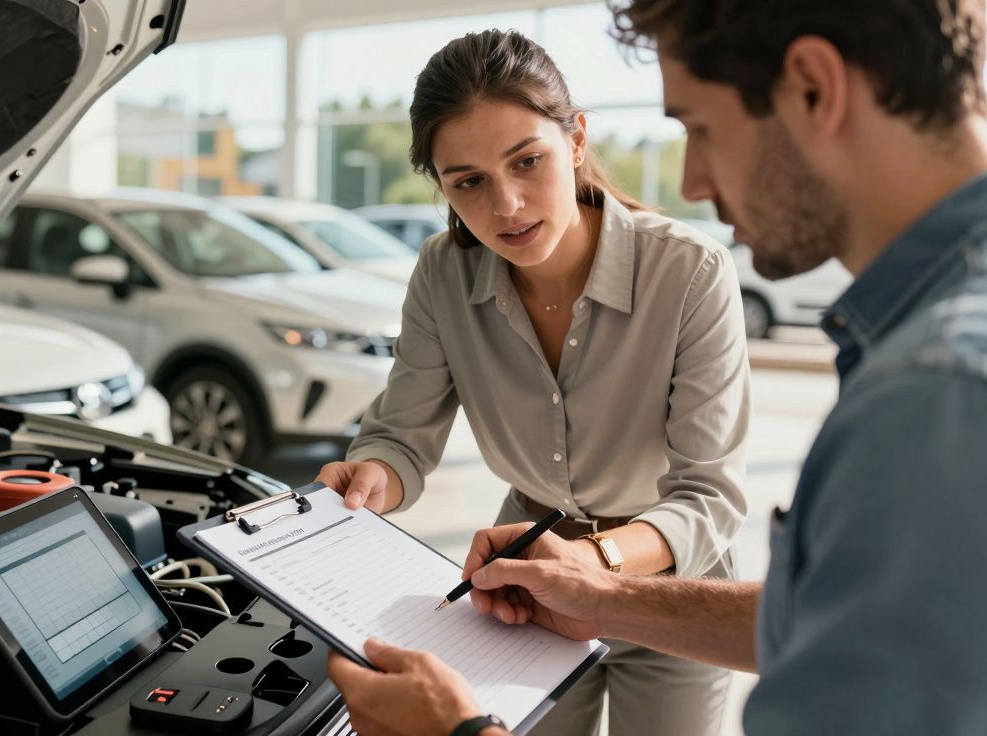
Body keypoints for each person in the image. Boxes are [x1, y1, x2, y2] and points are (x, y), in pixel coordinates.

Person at [326, 1, 987, 735]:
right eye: (468, 181)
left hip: (666, 573)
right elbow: (840, 616)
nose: (695, 180)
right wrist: (376, 478)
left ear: (812, 87)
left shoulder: (935, 389)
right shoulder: (921, 359)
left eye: (698, 127)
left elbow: (721, 506)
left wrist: (457, 730)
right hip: (539, 576)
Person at [314, 28, 751, 736]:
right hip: (530, 590)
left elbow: (710, 495)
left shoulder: (689, 273)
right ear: (442, 186)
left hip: (674, 589)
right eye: (469, 183)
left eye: (528, 161)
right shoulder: (441, 274)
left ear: (576, 140)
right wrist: (369, 478)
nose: (508, 205)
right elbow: (401, 440)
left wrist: (593, 565)